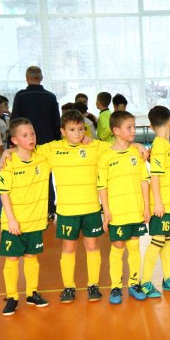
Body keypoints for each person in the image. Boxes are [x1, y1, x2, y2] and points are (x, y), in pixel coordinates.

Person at [36, 110, 108, 303]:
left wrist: (136, 144)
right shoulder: (52, 149)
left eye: (81, 129)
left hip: (91, 209)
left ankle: (93, 285)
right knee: (69, 248)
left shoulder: (95, 146)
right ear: (62, 131)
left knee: (92, 246)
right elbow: (28, 151)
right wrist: (8, 151)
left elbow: (118, 147)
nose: (77, 133)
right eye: (72, 129)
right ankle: (69, 287)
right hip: (67, 211)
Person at [0, 118, 51, 316]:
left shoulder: (43, 159)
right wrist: (11, 219)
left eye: (33, 133)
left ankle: (32, 293)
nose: (31, 138)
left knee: (31, 257)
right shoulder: (9, 162)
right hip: (14, 222)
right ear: (14, 140)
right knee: (12, 258)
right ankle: (12, 297)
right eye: (25, 135)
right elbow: (3, 192)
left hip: (35, 221)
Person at [97, 111, 150, 304]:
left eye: (134, 126)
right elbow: (102, 186)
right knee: (118, 248)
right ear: (116, 131)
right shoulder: (105, 157)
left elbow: (145, 181)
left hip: (135, 210)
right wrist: (106, 211)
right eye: (130, 127)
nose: (134, 131)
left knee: (134, 247)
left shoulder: (137, 153)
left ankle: (134, 283)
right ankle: (116, 287)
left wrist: (146, 206)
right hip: (117, 213)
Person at [140, 106, 170, 297]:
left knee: (166, 240)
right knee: (158, 241)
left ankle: (168, 278)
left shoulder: (165, 146)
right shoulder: (159, 146)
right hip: (163, 205)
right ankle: (145, 282)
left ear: (151, 126)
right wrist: (158, 203)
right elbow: (156, 177)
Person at [10, 66, 61, 219]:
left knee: (27, 175)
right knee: (46, 175)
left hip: (25, 142)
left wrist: (12, 144)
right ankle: (50, 208)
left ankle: (32, 208)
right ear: (41, 78)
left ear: (27, 78)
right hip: (47, 143)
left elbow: (15, 121)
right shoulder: (50, 97)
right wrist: (57, 143)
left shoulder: (21, 96)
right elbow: (56, 122)